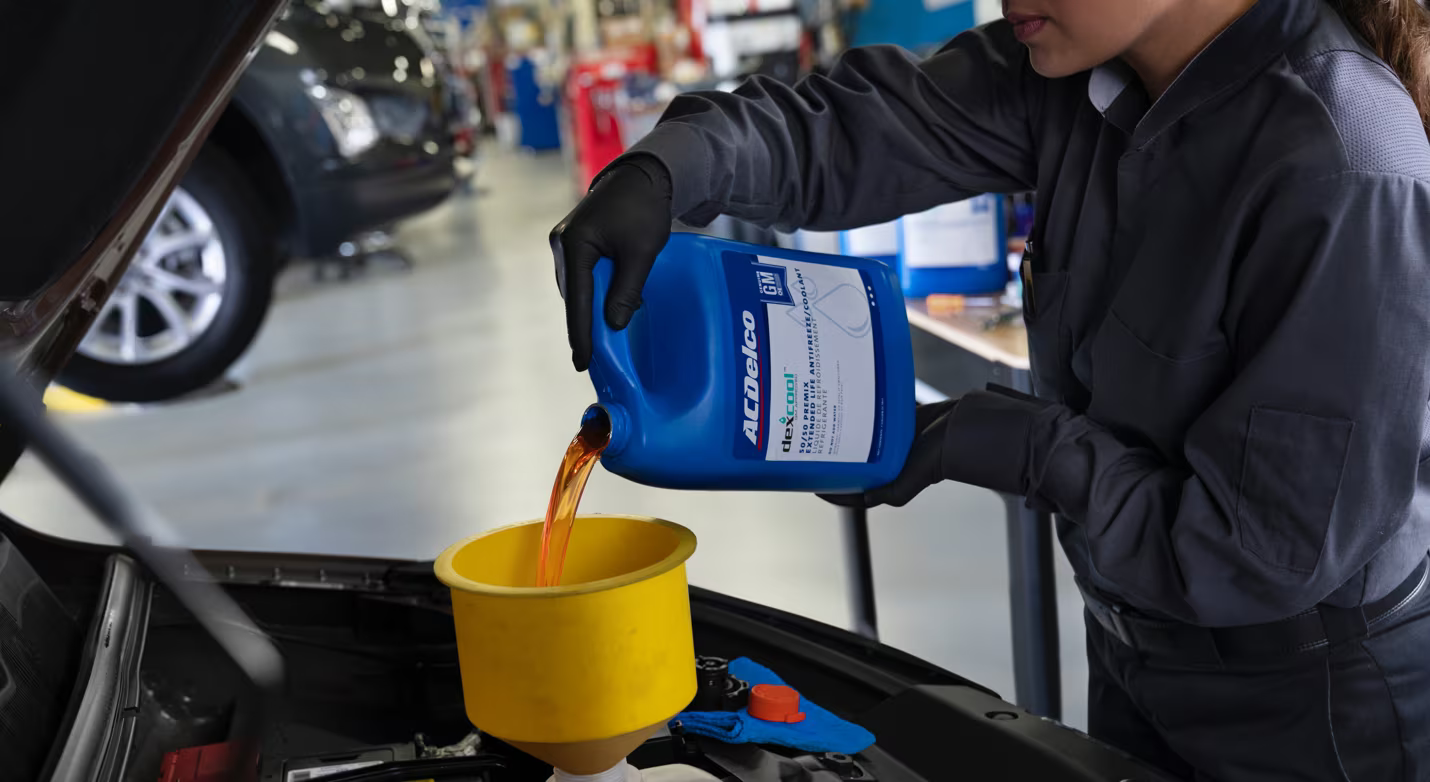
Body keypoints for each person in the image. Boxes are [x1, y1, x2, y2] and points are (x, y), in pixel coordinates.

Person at [551, 0, 1430, 778]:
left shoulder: (1342, 162)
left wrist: (994, 439)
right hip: (1135, 654)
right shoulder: (1070, 69)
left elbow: (1254, 552)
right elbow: (850, 131)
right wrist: (664, 170)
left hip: (1313, 714)